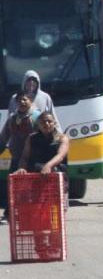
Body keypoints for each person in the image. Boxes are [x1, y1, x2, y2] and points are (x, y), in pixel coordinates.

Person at [0, 92, 40, 221]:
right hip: (16, 158)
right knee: (12, 187)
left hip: (34, 159)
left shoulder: (38, 117)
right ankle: (9, 214)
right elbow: (4, 136)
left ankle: (32, 216)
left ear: (30, 100)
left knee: (34, 189)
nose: (22, 102)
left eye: (25, 99)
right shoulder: (12, 118)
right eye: (19, 100)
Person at [17, 111, 69, 183]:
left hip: (56, 173)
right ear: (38, 125)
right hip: (35, 173)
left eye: (49, 121)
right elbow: (24, 157)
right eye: (43, 122)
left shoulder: (62, 138)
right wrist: (21, 168)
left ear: (54, 123)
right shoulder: (31, 138)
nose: (47, 124)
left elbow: (60, 156)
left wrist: (48, 166)